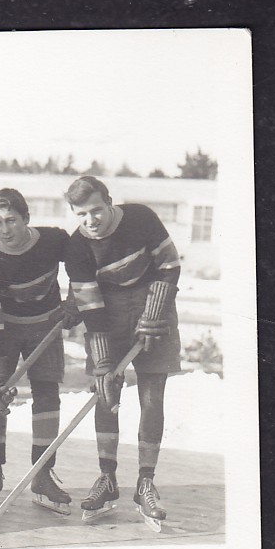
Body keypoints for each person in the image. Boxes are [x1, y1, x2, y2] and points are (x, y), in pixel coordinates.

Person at [64, 175, 182, 526]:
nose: (91, 221)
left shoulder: (141, 218)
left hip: (153, 306)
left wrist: (154, 312)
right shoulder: (76, 247)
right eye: (81, 214)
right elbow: (92, 309)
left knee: (151, 396)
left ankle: (146, 481)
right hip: (108, 313)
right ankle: (107, 479)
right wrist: (102, 363)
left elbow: (170, 265)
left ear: (109, 201)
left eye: (97, 210)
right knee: (105, 394)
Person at [0, 187, 78, 514]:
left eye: (11, 220)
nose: (5, 230)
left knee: (47, 395)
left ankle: (43, 474)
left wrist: (75, 299)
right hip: (4, 329)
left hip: (45, 326)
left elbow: (82, 264)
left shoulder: (54, 240)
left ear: (26, 218)